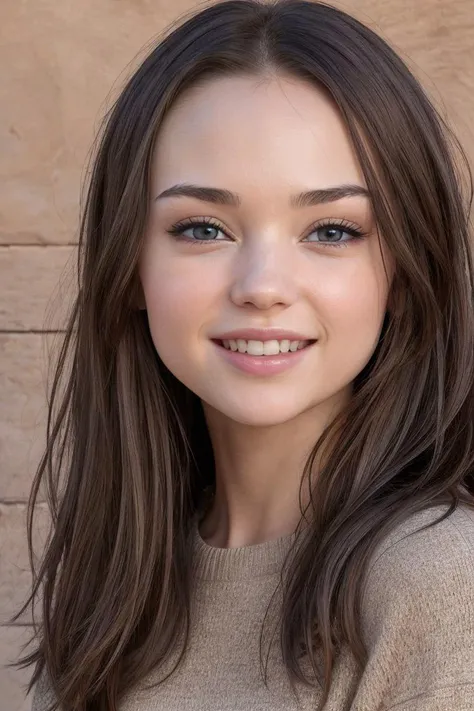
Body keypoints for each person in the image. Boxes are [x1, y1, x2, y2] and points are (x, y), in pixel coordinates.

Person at [10, 0, 474, 709]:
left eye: (330, 230)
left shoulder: (440, 588)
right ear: (130, 264)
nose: (261, 287)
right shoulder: (113, 600)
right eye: (202, 228)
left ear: (408, 273)